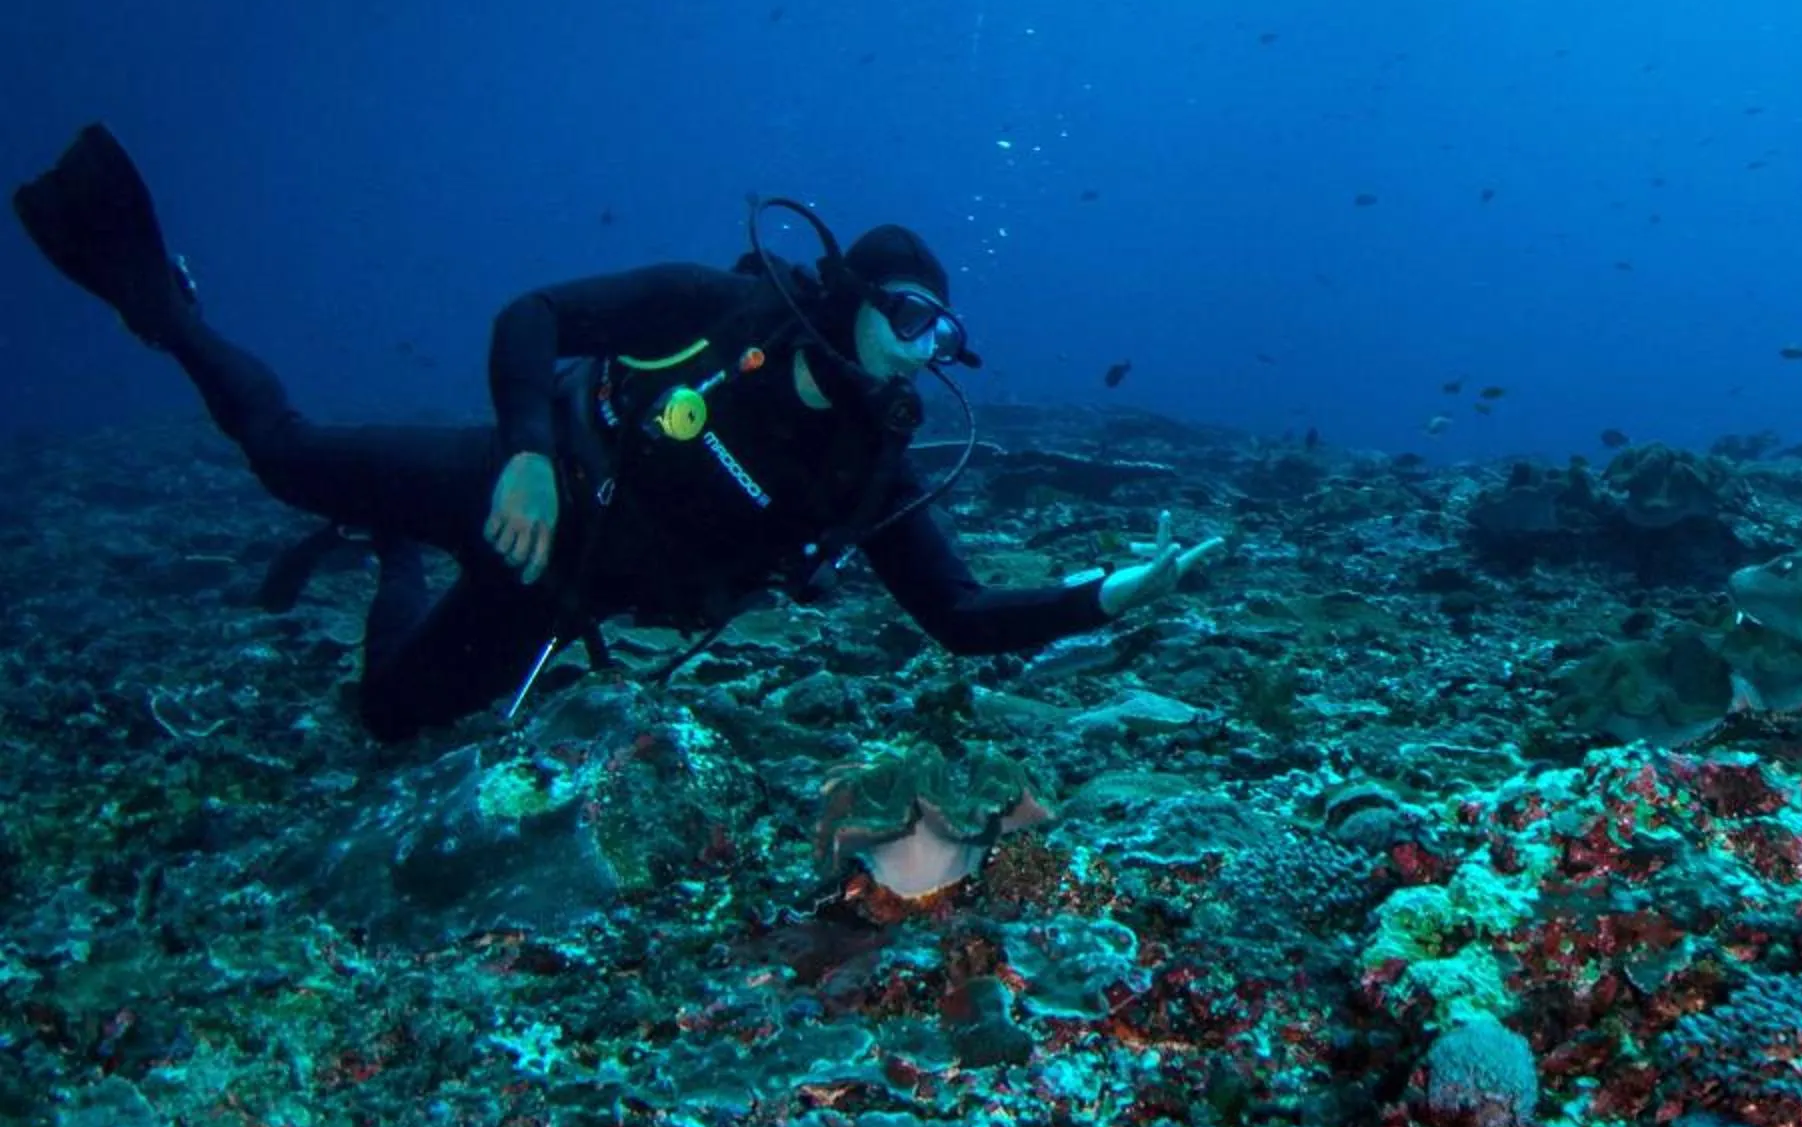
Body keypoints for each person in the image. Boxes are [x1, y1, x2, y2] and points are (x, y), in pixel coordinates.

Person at [12, 123, 1220, 742]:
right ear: (852, 294)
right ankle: (164, 308)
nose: (925, 350)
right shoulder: (719, 309)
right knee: (284, 457)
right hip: (521, 486)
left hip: (559, 595)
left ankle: (385, 553)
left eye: (948, 336)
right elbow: (534, 313)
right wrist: (530, 448)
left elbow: (960, 620)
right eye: (911, 315)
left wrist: (1113, 592)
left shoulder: (872, 471)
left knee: (382, 716)